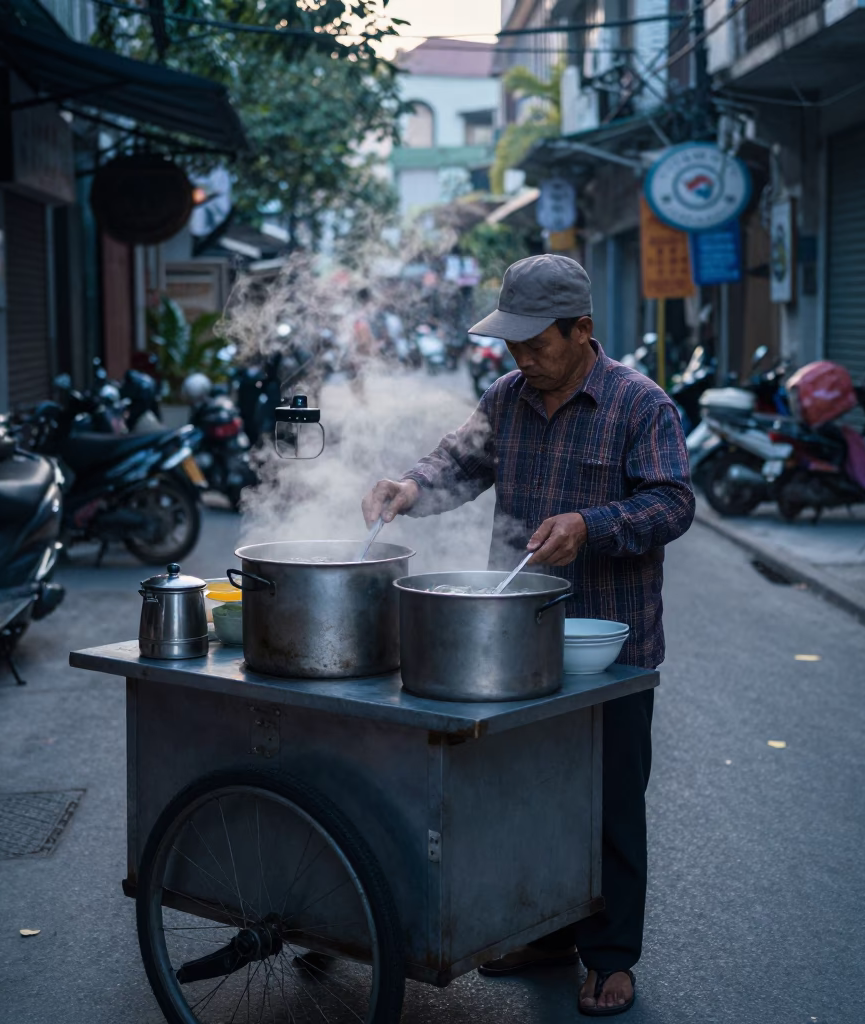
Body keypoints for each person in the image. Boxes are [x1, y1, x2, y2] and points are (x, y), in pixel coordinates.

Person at [362, 254, 695, 1017]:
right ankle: (544, 932)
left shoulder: (640, 405)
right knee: (526, 794)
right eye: (510, 344)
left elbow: (673, 503)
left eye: (535, 343)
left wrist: (593, 526)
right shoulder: (508, 397)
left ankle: (609, 955)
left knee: (607, 800)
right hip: (514, 643)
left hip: (610, 645)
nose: (520, 358)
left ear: (582, 329)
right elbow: (456, 462)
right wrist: (408, 487)